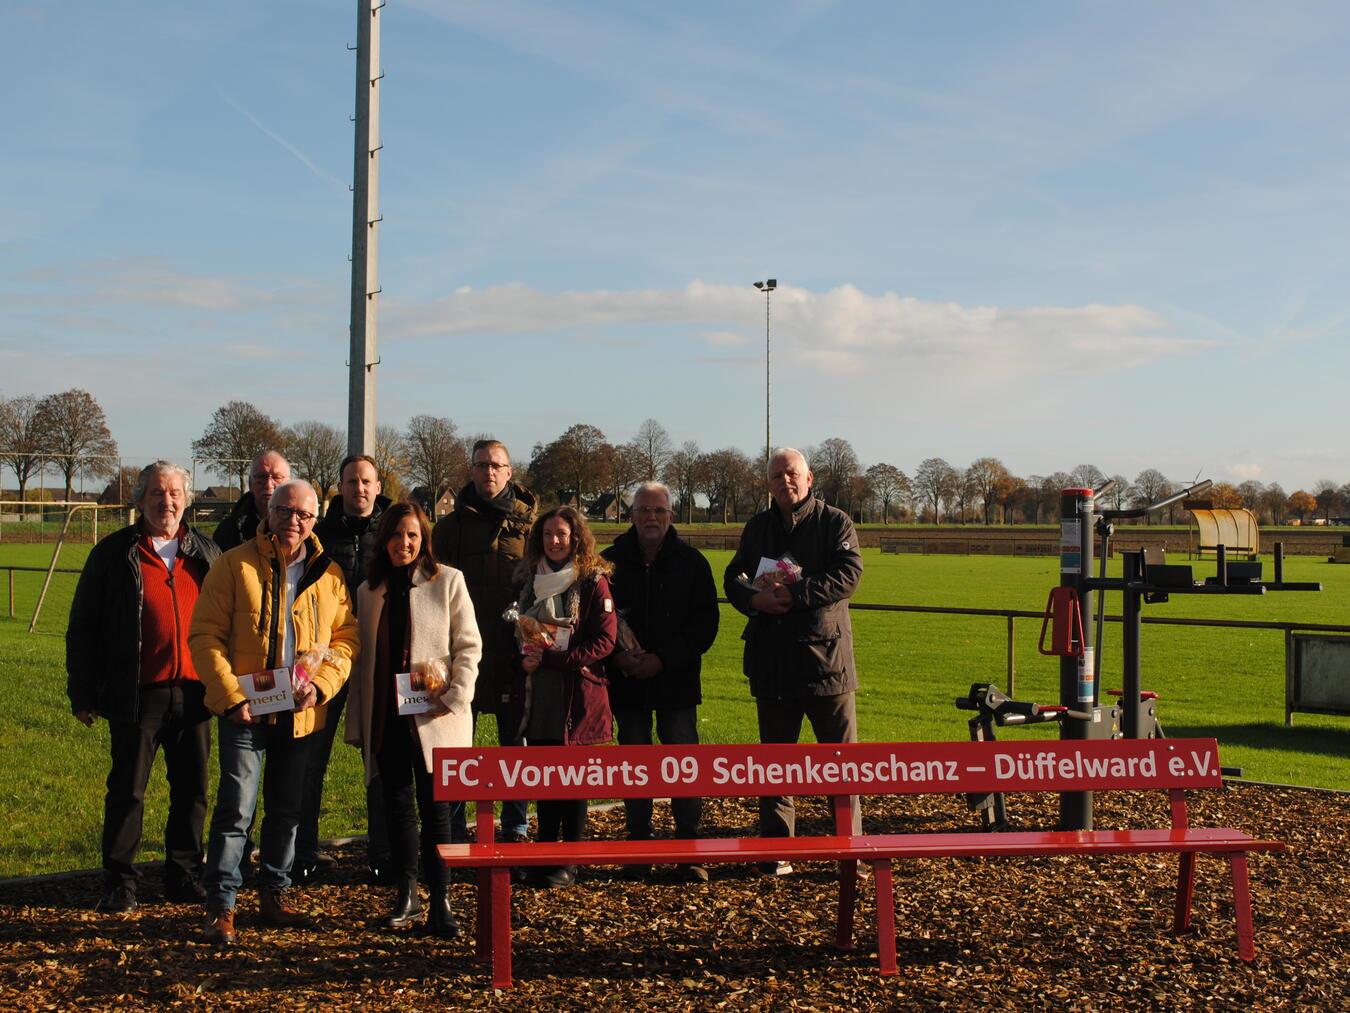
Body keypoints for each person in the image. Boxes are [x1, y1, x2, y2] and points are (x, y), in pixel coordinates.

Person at [190, 479, 358, 946]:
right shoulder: (234, 564)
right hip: (244, 714)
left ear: (314, 519)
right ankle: (221, 904)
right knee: (236, 810)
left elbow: (346, 639)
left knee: (287, 810)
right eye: (285, 511)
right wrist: (230, 696)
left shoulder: (329, 574)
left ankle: (275, 894)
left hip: (300, 714)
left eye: (304, 515)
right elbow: (205, 636)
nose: (293, 522)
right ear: (270, 511)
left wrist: (322, 685)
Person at [66, 461, 221, 913]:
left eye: (174, 492)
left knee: (192, 791)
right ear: (140, 500)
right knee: (128, 791)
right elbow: (83, 627)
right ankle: (120, 883)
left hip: (194, 692)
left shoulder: (207, 553)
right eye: (156, 492)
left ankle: (184, 876)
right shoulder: (114, 554)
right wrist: (82, 692)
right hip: (137, 694)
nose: (166, 500)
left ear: (186, 499)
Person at [723, 448, 863, 870]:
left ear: (809, 477)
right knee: (776, 765)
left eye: (792, 473)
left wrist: (795, 594)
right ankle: (777, 851)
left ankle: (849, 851)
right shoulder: (758, 526)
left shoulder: (835, 522)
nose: (785, 481)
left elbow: (848, 574)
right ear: (767, 483)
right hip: (772, 663)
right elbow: (733, 577)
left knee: (841, 766)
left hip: (826, 663)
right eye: (776, 475)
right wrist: (756, 600)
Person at [346, 501, 481, 937]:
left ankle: (441, 899)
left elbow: (468, 645)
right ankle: (407, 895)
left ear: (424, 541)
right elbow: (361, 660)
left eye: (412, 536)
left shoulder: (448, 582)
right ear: (382, 538)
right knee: (398, 809)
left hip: (434, 717)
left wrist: (456, 696)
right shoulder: (369, 591)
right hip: (388, 718)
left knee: (438, 813)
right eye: (395, 534)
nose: (403, 543)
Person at [602, 482, 719, 882]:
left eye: (659, 511)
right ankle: (639, 847)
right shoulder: (608, 563)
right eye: (644, 510)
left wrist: (663, 660)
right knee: (635, 765)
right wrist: (618, 658)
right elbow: (595, 621)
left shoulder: (692, 563)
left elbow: (704, 627)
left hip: (677, 684)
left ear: (671, 516)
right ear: (631, 515)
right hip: (628, 682)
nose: (651, 517)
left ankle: (689, 849)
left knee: (685, 765)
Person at [431, 439, 537, 844]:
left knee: (515, 743)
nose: (488, 472)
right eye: (481, 465)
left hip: (514, 651)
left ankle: (515, 826)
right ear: (470, 471)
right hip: (462, 652)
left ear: (510, 472)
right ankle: (455, 827)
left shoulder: (530, 526)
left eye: (496, 465)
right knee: (458, 742)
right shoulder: (448, 527)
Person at [513, 505, 616, 888]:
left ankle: (570, 860)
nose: (554, 541)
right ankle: (545, 856)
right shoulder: (528, 582)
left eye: (562, 534)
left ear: (576, 538)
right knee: (544, 782)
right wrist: (525, 659)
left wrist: (557, 659)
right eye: (547, 534)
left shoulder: (592, 581)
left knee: (573, 784)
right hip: (539, 696)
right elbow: (521, 636)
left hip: (579, 695)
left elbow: (605, 641)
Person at [302, 453, 392, 885]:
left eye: (367, 481)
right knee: (310, 758)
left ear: (378, 487)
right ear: (339, 486)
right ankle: (303, 853)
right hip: (328, 660)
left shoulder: (394, 531)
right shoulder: (318, 534)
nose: (359, 488)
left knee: (379, 760)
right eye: (351, 481)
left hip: (378, 659)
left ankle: (383, 854)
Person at [213, 450, 290, 551]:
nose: (268, 485)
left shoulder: (304, 526)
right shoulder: (229, 531)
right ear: (250, 483)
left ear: (289, 483)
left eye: (277, 477)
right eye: (261, 477)